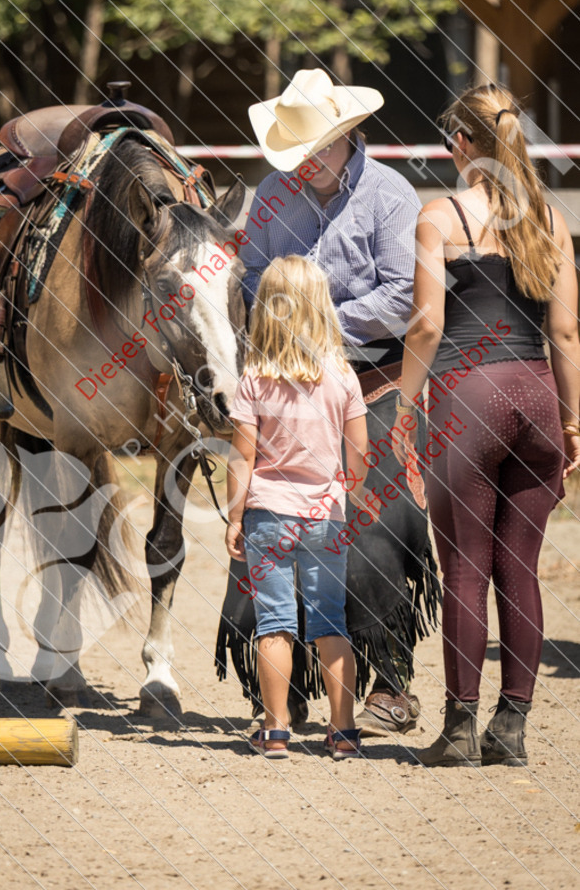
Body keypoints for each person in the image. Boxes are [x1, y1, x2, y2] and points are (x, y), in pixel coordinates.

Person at [232, 67, 440, 736]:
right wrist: (282, 330)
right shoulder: (271, 194)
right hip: (284, 378)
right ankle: (282, 693)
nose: (307, 161)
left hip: (375, 375)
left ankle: (391, 683)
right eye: (299, 149)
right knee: (269, 515)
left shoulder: (389, 195)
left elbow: (402, 294)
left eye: (317, 147)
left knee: (377, 517)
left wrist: (313, 326)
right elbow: (249, 277)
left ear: (347, 135)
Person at [393, 83, 580, 767]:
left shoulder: (439, 217)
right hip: (536, 397)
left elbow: (426, 326)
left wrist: (404, 406)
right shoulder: (550, 220)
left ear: (464, 143)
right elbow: (565, 332)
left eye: (452, 139)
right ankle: (512, 727)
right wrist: (571, 423)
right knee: (519, 570)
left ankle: (459, 729)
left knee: (465, 568)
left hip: (467, 397)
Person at [225, 255, 371, 759]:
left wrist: (235, 516)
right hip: (325, 517)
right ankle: (344, 731)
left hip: (268, 514)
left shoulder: (253, 379)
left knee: (274, 623)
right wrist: (350, 497)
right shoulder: (343, 377)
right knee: (330, 622)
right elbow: (359, 454)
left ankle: (275, 730)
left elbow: (241, 458)